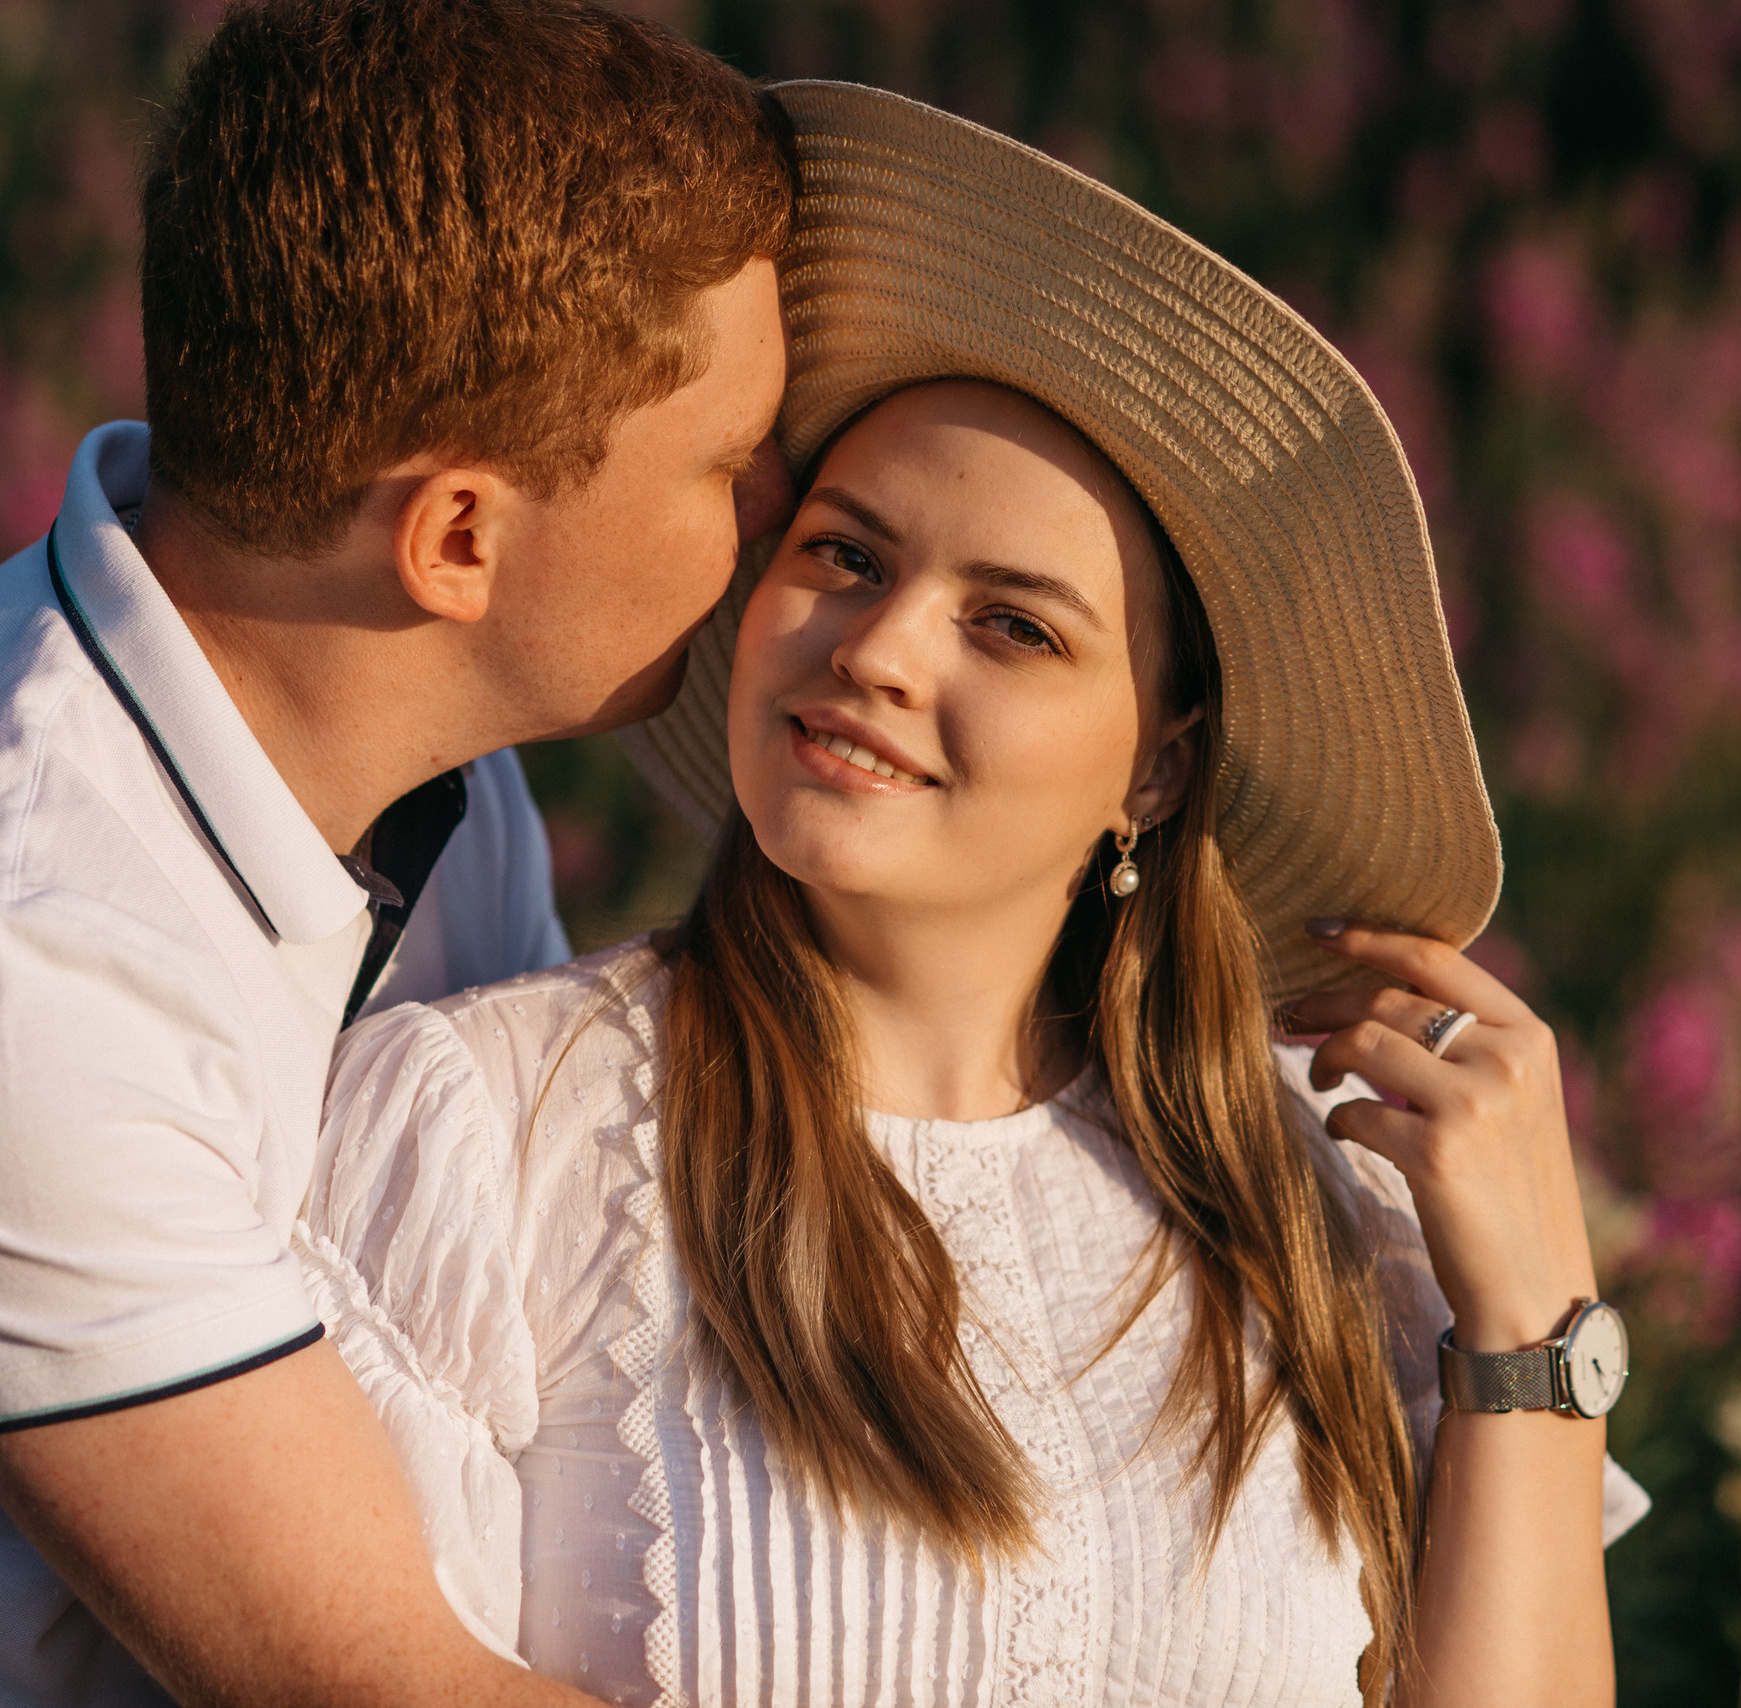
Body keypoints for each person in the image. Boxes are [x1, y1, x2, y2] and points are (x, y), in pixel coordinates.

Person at [295, 81, 1648, 1707]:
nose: (875, 649)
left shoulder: (1310, 1210)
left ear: (1156, 767)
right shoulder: (482, 1140)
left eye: (1013, 625)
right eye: (847, 556)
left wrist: (1533, 1330)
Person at [0, 4, 795, 1703]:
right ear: (455, 539)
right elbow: (384, 1683)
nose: (775, 517)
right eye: (732, 463)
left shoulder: (416, 763)